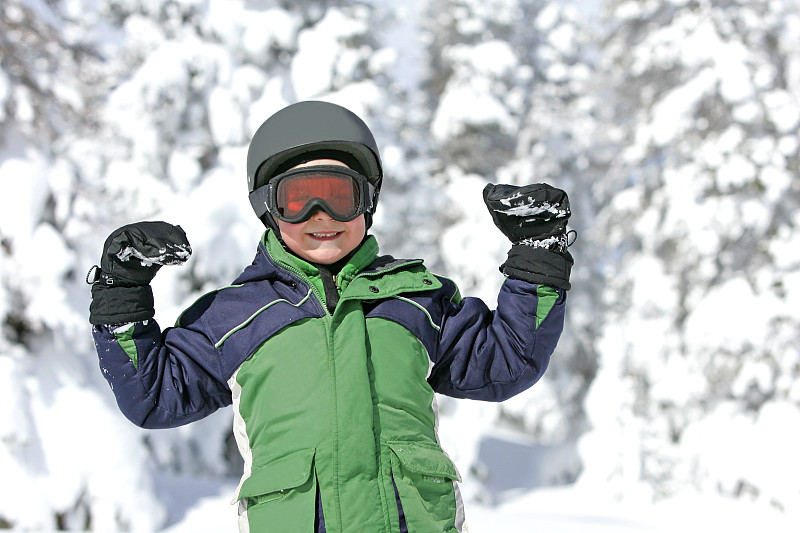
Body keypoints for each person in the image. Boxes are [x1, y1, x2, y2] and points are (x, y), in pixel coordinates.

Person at [87, 100, 574, 533]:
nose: (322, 216)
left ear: (367, 202)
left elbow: (509, 360)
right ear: (268, 208)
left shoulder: (415, 302)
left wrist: (538, 258)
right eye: (299, 200)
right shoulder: (234, 316)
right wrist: (121, 295)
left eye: (338, 196)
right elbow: (152, 396)